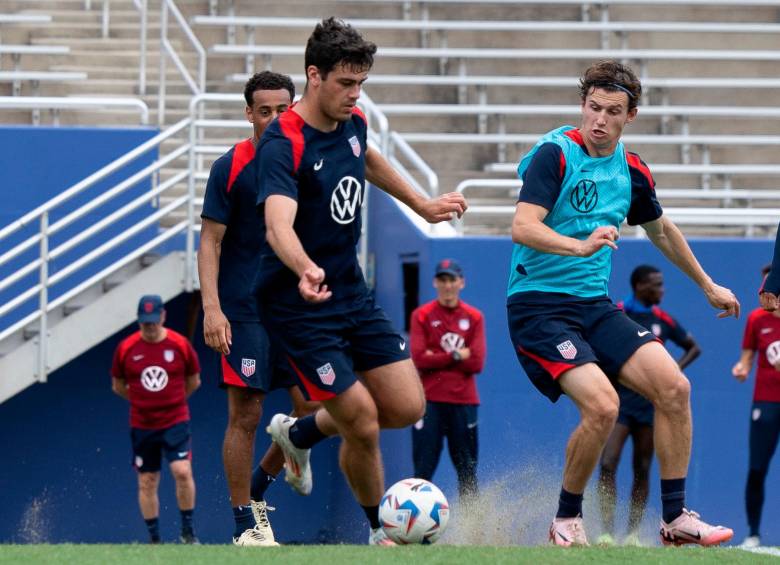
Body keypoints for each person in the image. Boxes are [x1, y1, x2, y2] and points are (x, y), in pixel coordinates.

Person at [506, 59, 739, 548]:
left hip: (593, 306)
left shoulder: (631, 170)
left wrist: (707, 284)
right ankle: (566, 521)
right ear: (582, 105)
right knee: (603, 406)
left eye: (612, 111)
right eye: (593, 107)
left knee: (675, 387)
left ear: (629, 116)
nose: (599, 120)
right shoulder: (556, 154)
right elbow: (523, 226)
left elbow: (661, 230)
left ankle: (675, 520)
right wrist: (581, 245)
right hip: (538, 307)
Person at [254, 17, 467, 545]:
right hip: (297, 300)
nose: (355, 94)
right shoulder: (283, 143)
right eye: (346, 83)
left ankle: (299, 431)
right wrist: (303, 267)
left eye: (361, 84)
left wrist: (422, 203)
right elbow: (277, 225)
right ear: (313, 76)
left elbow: (365, 155)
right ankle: (380, 533)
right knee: (364, 421)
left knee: (406, 406)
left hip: (349, 289)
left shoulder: (352, 120)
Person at [198, 71, 319, 547]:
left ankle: (258, 487)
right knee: (247, 414)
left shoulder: (308, 160)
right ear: (249, 112)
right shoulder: (230, 165)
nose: (273, 118)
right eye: (264, 110)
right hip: (243, 309)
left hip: (295, 309)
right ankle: (244, 525)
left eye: (282, 109)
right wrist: (212, 309)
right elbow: (210, 240)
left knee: (313, 408)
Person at [596, 265, 701, 546]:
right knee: (608, 463)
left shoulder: (662, 319)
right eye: (657, 284)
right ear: (640, 285)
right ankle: (606, 531)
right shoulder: (617, 313)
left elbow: (694, 347)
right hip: (620, 402)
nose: (662, 290)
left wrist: (672, 373)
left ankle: (632, 534)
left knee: (642, 467)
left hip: (650, 405)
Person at [111, 295, 201, 544]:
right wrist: (141, 400)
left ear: (163, 316)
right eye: (144, 323)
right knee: (147, 479)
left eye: (153, 322)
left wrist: (173, 401)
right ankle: (154, 539)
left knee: (181, 470)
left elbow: (194, 380)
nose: (149, 328)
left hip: (175, 420)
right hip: (142, 424)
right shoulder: (126, 348)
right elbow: (118, 385)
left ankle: (188, 532)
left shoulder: (179, 344)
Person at [409, 258, 486, 501]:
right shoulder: (421, 315)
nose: (447, 285)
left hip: (463, 402)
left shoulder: (474, 317)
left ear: (461, 282)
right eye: (442, 279)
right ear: (435, 282)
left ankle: (471, 532)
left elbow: (476, 362)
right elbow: (420, 359)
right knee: (422, 471)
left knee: (467, 471)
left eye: (452, 279)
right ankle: (414, 529)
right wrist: (455, 355)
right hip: (429, 401)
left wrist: (438, 357)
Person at [731, 265, 780, 549]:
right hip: (766, 401)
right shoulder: (756, 319)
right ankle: (753, 533)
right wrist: (741, 368)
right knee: (757, 468)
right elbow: (746, 358)